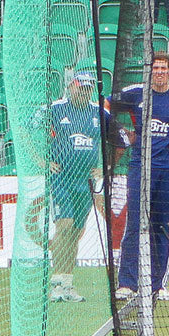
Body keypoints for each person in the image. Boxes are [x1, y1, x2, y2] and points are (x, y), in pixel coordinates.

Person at [113, 52, 169, 300]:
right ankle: (127, 283)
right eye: (155, 67)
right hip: (140, 168)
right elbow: (106, 107)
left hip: (168, 170)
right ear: (149, 71)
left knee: (162, 227)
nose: (159, 72)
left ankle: (157, 285)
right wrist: (123, 134)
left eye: (163, 67)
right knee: (134, 224)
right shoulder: (135, 93)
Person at [36, 71, 126, 302]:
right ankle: (56, 282)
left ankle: (67, 284)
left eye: (87, 88)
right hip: (60, 178)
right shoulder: (55, 109)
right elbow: (27, 132)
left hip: (85, 181)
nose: (83, 91)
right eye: (79, 87)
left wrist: (106, 168)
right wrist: (41, 161)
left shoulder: (100, 113)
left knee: (75, 232)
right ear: (70, 87)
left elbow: (121, 142)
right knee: (64, 226)